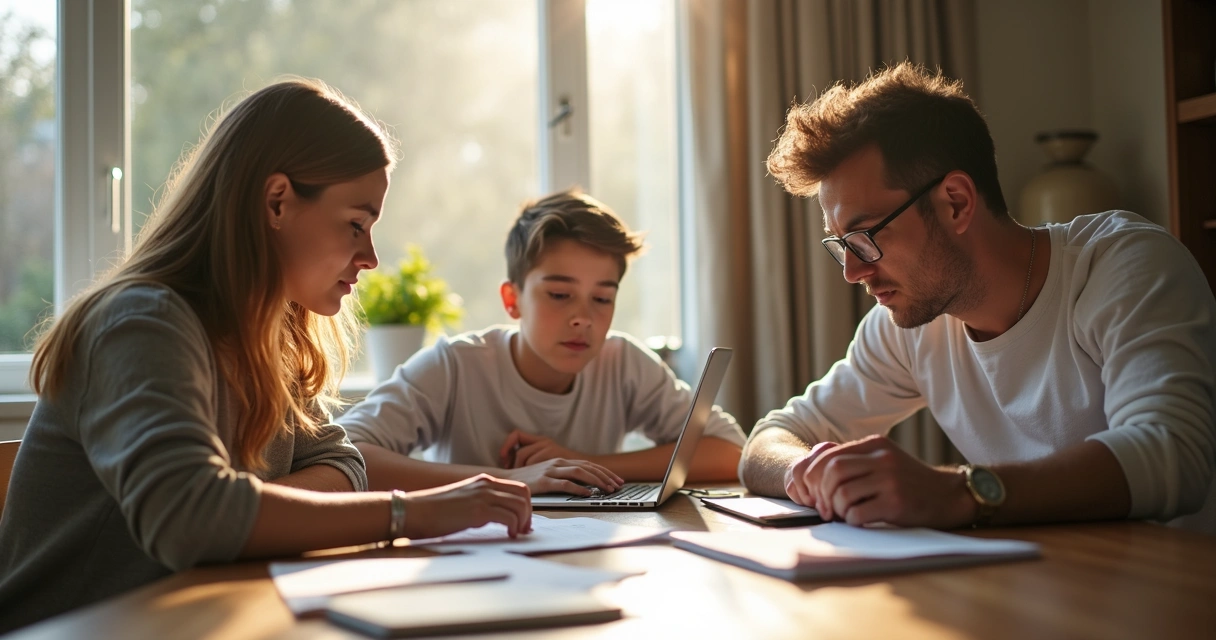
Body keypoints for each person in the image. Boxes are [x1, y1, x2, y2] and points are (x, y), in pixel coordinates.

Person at [0, 79, 531, 633]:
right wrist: (410, 512)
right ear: (277, 201)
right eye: (356, 224)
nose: (371, 257)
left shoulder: (268, 339)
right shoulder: (141, 323)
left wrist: (243, 512)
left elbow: (345, 465)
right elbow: (192, 519)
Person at [739, 62, 1216, 532]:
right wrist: (810, 472)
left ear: (956, 202)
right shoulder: (907, 325)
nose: (853, 271)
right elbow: (769, 440)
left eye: (865, 236)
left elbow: (1173, 453)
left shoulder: (1122, 266)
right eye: (842, 244)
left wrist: (957, 491)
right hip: (1044, 574)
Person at [338, 189, 747, 496]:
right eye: (559, 294)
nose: (583, 317)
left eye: (602, 298)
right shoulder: (456, 365)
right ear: (512, 300)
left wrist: (580, 462)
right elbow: (346, 456)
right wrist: (511, 479)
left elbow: (729, 451)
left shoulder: (622, 362)